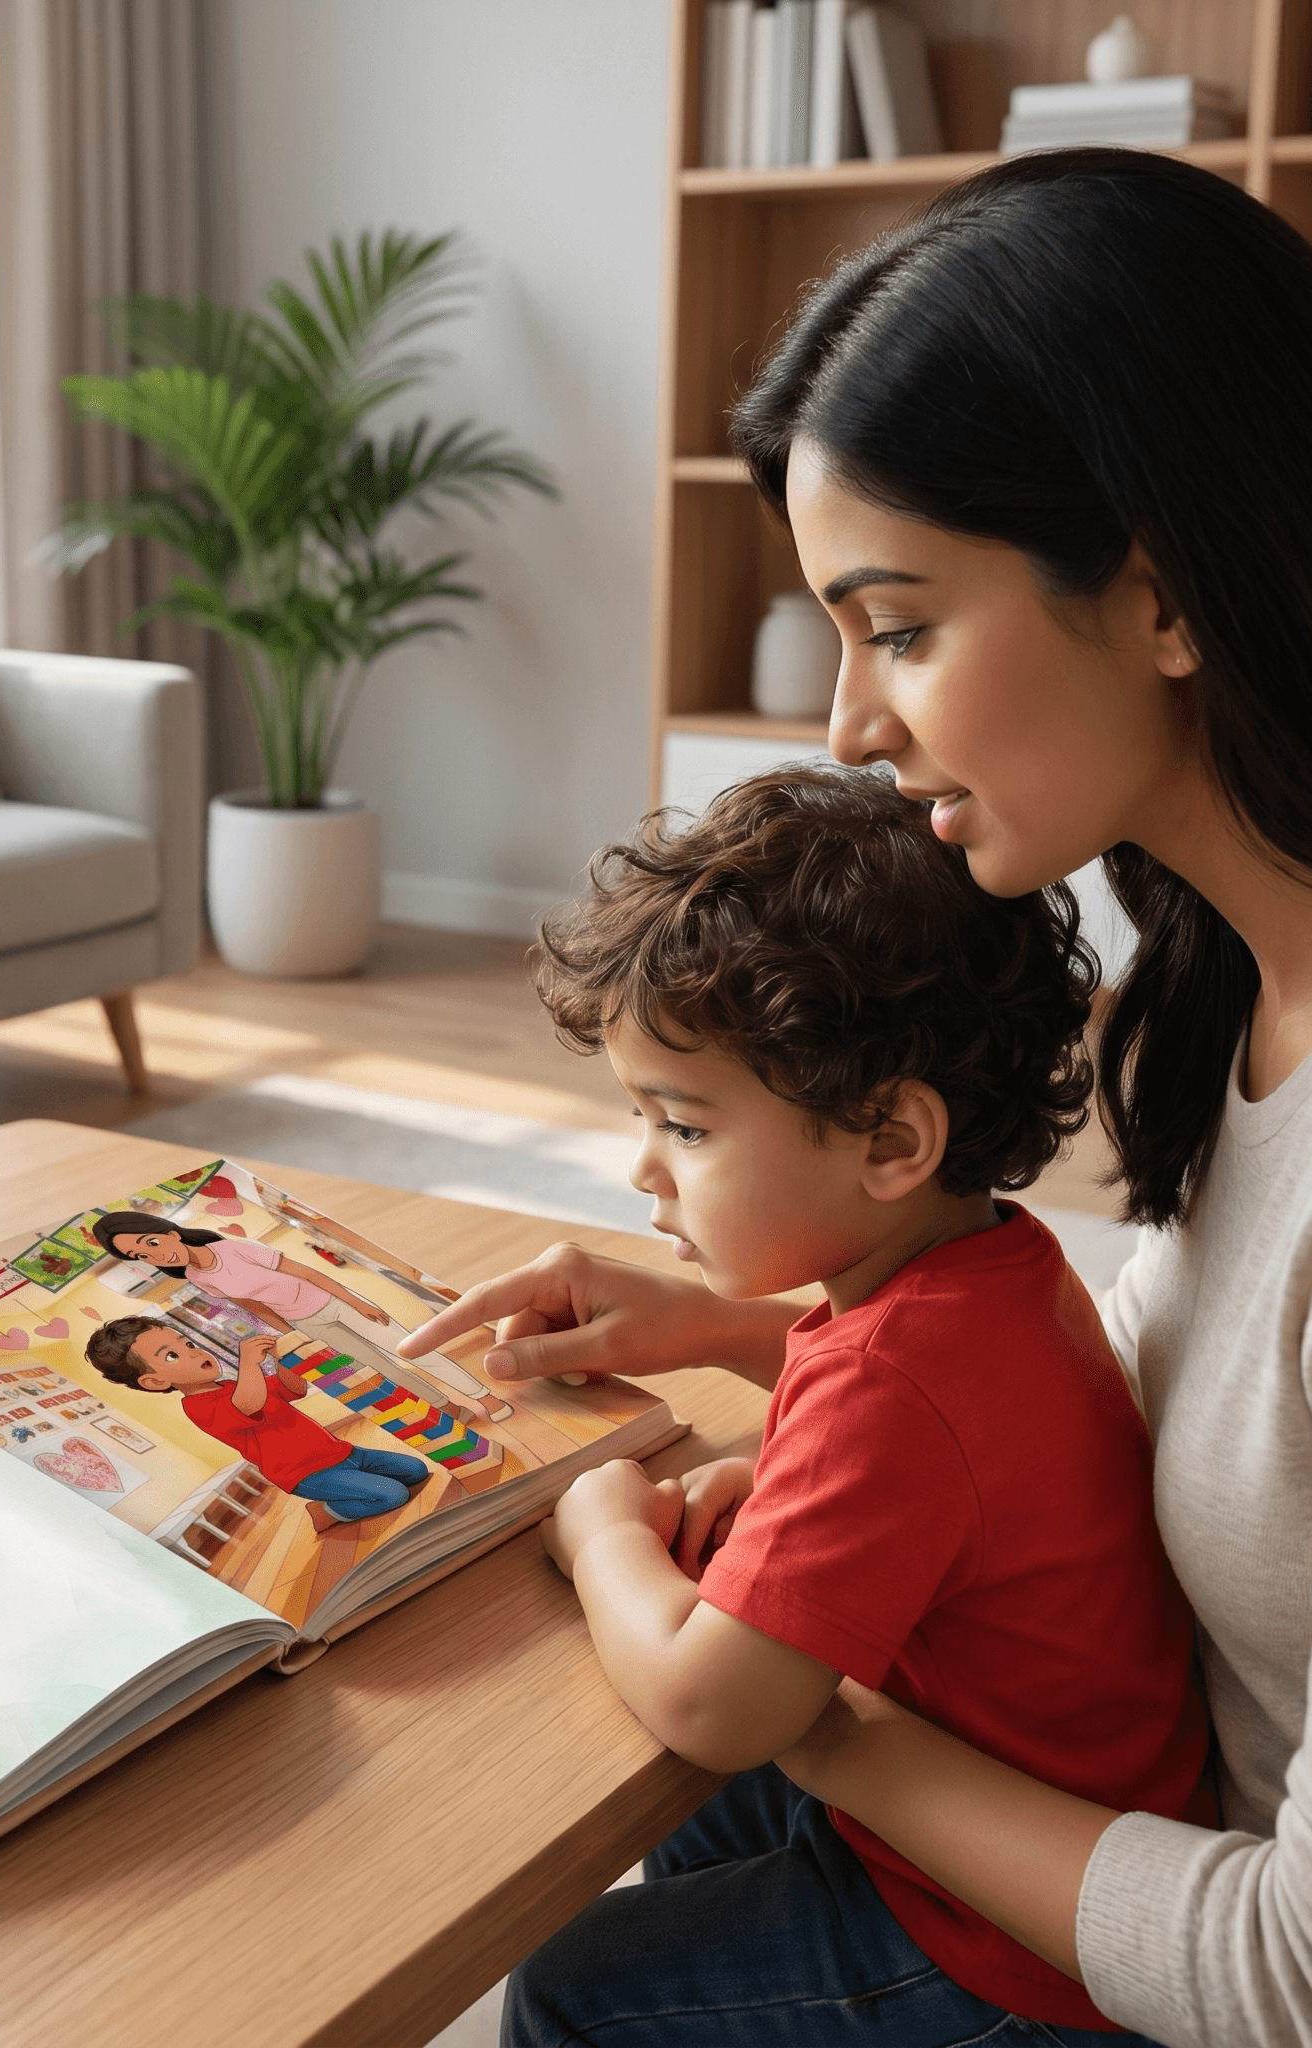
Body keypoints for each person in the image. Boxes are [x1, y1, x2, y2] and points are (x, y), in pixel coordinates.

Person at [403, 148, 1312, 2046]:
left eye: (896, 623)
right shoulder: (1231, 980)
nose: (847, 722)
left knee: (591, 1951)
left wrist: (836, 1725)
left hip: (1183, 1944)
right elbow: (1159, 1365)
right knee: (659, 1811)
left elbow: (1293, 1977)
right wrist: (748, 1322)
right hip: (1119, 1798)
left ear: (1158, 593)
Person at [509, 763, 1202, 2041]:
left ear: (891, 1142)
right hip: (1047, 1781)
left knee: (574, 1986)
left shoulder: (886, 1380)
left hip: (1005, 1948)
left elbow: (714, 1704)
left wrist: (599, 1533)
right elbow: (926, 1465)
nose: (642, 1170)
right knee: (702, 1816)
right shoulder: (996, 1263)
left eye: (686, 1127)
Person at [88, 1211, 512, 1423]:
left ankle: (485, 1399)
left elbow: (304, 1271)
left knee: (411, 1349)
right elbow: (252, 1306)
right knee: (380, 1368)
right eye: (140, 1255)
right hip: (308, 1324)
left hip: (336, 1303)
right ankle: (447, 1408)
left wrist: (357, 1301)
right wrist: (291, 1334)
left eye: (150, 1242)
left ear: (169, 1232)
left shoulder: (231, 1248)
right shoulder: (198, 1276)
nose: (153, 1254)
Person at [84, 1316, 428, 1522]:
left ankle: (353, 1483)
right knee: (391, 1495)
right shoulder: (199, 1407)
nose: (193, 1351)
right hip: (305, 1473)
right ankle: (327, 1512)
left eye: (187, 1342)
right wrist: (248, 1361)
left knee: (414, 1471)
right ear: (156, 1381)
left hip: (342, 1452)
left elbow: (292, 1390)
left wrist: (285, 1359)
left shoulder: (231, 1385)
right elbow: (248, 1404)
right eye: (173, 1355)